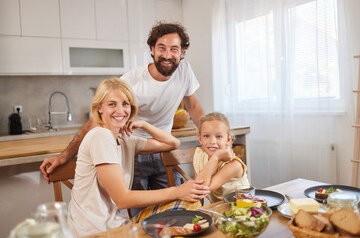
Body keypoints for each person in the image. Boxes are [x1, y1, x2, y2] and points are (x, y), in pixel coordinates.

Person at [40, 22, 204, 215]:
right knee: (142, 218)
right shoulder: (131, 81)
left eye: (174, 49)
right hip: (132, 152)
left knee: (176, 213)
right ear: (152, 49)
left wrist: (209, 137)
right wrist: (64, 156)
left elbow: (193, 107)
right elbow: (95, 122)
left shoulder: (184, 71)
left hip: (162, 149)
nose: (167, 55)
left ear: (182, 52)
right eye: (161, 48)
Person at [67, 78, 209, 237]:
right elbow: (122, 199)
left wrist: (144, 125)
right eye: (112, 104)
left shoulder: (125, 140)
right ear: (100, 108)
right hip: (94, 231)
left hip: (116, 224)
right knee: (182, 211)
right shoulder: (101, 136)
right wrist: (178, 191)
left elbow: (173, 143)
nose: (120, 110)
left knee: (184, 210)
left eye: (125, 104)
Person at [193, 112, 250, 203]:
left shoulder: (234, 165)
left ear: (228, 139)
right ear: (200, 139)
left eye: (219, 136)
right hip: (218, 210)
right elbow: (198, 193)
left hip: (240, 209)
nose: (212, 141)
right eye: (206, 136)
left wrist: (216, 157)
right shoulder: (199, 156)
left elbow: (201, 190)